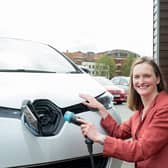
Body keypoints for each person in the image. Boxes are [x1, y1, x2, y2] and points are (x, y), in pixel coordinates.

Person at [79, 56, 168, 168]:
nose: (141, 81)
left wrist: (98, 137)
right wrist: (101, 108)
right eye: (136, 77)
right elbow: (119, 132)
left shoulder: (165, 109)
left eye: (147, 76)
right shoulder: (140, 112)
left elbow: (140, 150)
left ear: (158, 79)